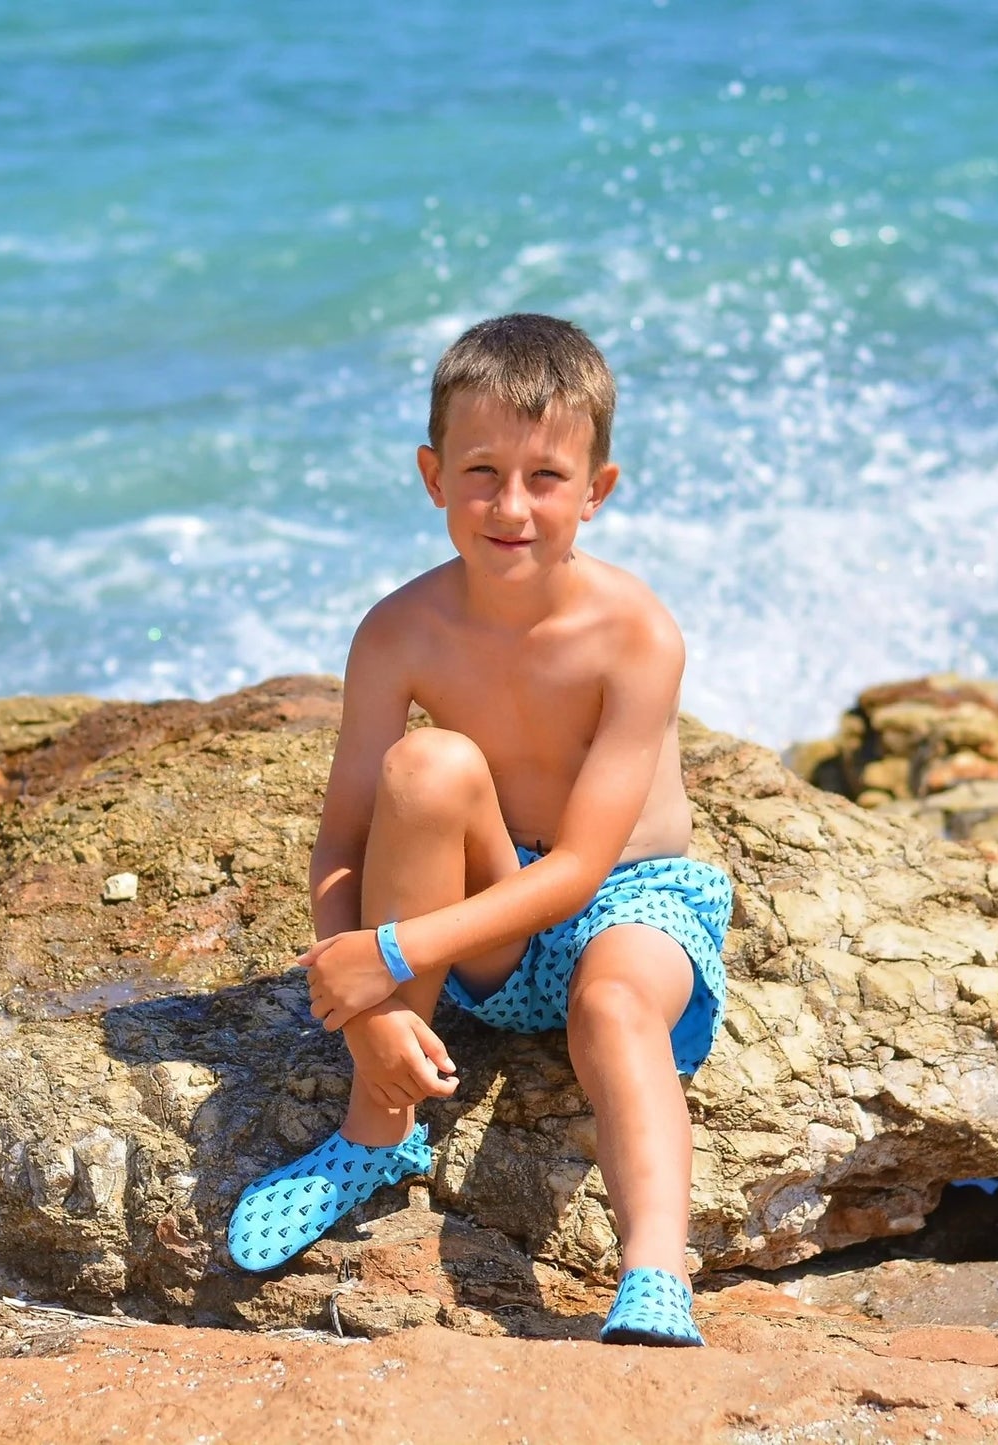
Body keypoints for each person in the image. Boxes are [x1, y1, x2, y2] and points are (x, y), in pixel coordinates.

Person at [227, 313, 731, 1347]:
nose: (509, 505)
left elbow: (585, 864)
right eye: (480, 471)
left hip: (622, 897)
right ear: (430, 473)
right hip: (484, 919)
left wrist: (393, 951)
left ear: (596, 490)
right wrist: (359, 996)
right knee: (427, 764)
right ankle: (378, 1128)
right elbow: (346, 840)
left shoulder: (634, 633)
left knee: (613, 1003)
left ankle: (651, 1275)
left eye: (545, 477)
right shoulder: (398, 631)